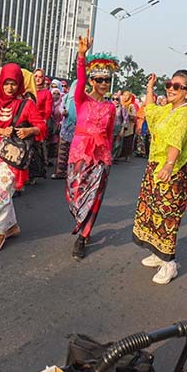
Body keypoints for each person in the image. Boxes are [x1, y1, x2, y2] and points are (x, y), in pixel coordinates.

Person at [133, 70, 187, 284]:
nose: (171, 89)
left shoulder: (185, 113)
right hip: (156, 166)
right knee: (152, 211)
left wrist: (169, 165)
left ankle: (169, 262)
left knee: (167, 216)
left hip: (173, 171)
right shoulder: (168, 109)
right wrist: (150, 87)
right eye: (169, 84)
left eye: (177, 86)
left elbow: (176, 141)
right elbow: (150, 111)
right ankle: (157, 253)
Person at [0, 63, 46, 252]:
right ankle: (12, 227)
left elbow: (41, 126)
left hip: (13, 158)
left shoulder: (27, 104)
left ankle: (1, 232)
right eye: (6, 83)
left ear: (20, 83)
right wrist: (1, 130)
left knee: (0, 196)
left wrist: (29, 130)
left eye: (14, 83)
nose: (9, 87)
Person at [66, 32, 117, 259]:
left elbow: (109, 134)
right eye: (99, 79)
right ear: (91, 81)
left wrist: (109, 158)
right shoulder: (81, 99)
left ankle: (83, 237)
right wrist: (81, 55)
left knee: (94, 197)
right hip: (79, 153)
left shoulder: (111, 107)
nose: (103, 84)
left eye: (107, 80)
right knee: (75, 194)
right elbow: (79, 79)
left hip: (101, 157)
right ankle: (80, 221)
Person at [52, 78, 78, 179]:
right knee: (62, 151)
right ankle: (60, 172)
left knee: (73, 152)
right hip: (66, 127)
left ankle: (71, 173)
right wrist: (63, 111)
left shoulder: (83, 99)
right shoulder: (67, 97)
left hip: (77, 129)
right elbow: (61, 107)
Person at [117, 91, 137, 161]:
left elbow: (134, 115)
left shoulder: (131, 106)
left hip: (129, 126)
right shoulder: (120, 104)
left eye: (127, 95)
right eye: (124, 95)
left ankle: (127, 155)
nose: (125, 97)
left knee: (127, 141)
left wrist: (127, 114)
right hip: (120, 124)